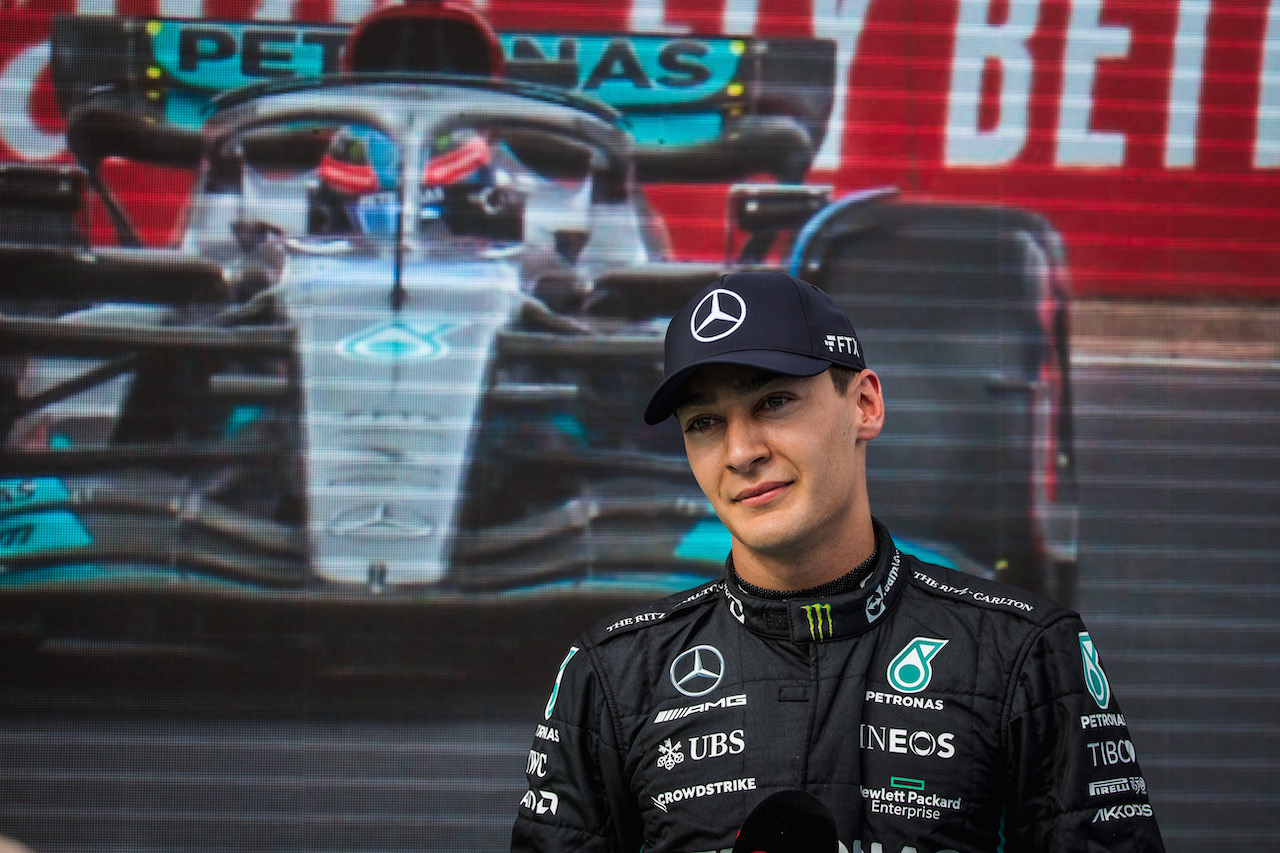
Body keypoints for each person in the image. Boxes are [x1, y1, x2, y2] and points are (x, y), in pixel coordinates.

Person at [511, 270, 1165, 853]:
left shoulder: (1025, 654)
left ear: (865, 404)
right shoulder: (611, 676)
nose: (740, 451)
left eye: (773, 401)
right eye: (704, 422)